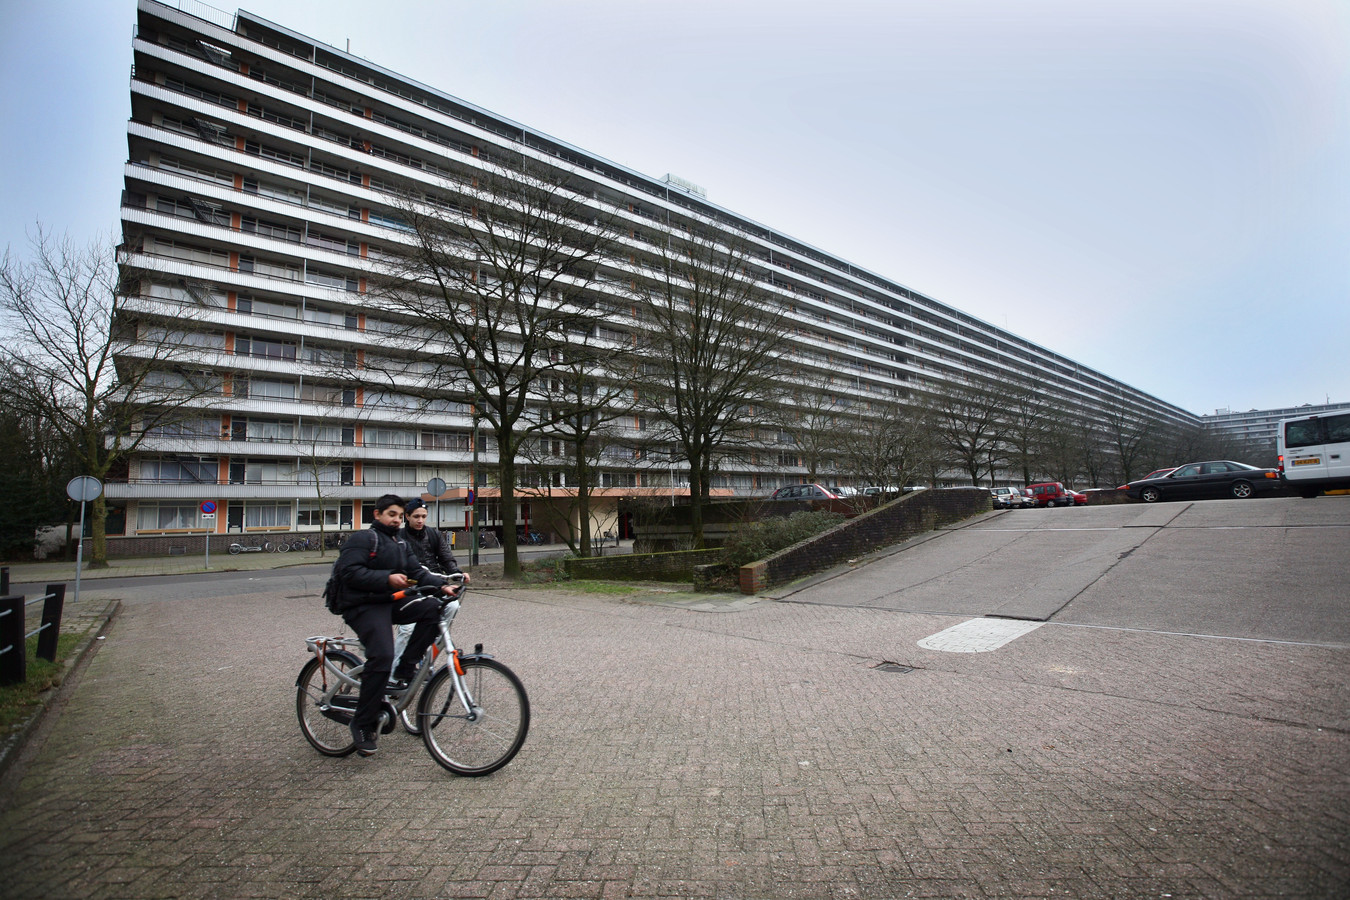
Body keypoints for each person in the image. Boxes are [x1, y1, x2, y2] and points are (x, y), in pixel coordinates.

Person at [330, 493, 462, 757]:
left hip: (387, 600)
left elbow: (417, 571)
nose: (396, 520)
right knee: (382, 654)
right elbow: (348, 572)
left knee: (432, 611)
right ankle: (363, 723)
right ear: (377, 514)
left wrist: (443, 586)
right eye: (392, 514)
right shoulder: (363, 539)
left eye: (400, 516)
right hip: (361, 604)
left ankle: (405, 669)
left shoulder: (400, 542)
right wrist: (387, 578)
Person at [393, 498, 465, 660]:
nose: (420, 520)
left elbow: (446, 558)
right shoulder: (399, 537)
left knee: (452, 605)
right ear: (407, 516)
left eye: (424, 516)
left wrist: (456, 573)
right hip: (411, 588)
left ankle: (427, 654)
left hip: (434, 584)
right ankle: (394, 673)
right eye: (416, 516)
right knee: (407, 631)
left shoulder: (433, 534)